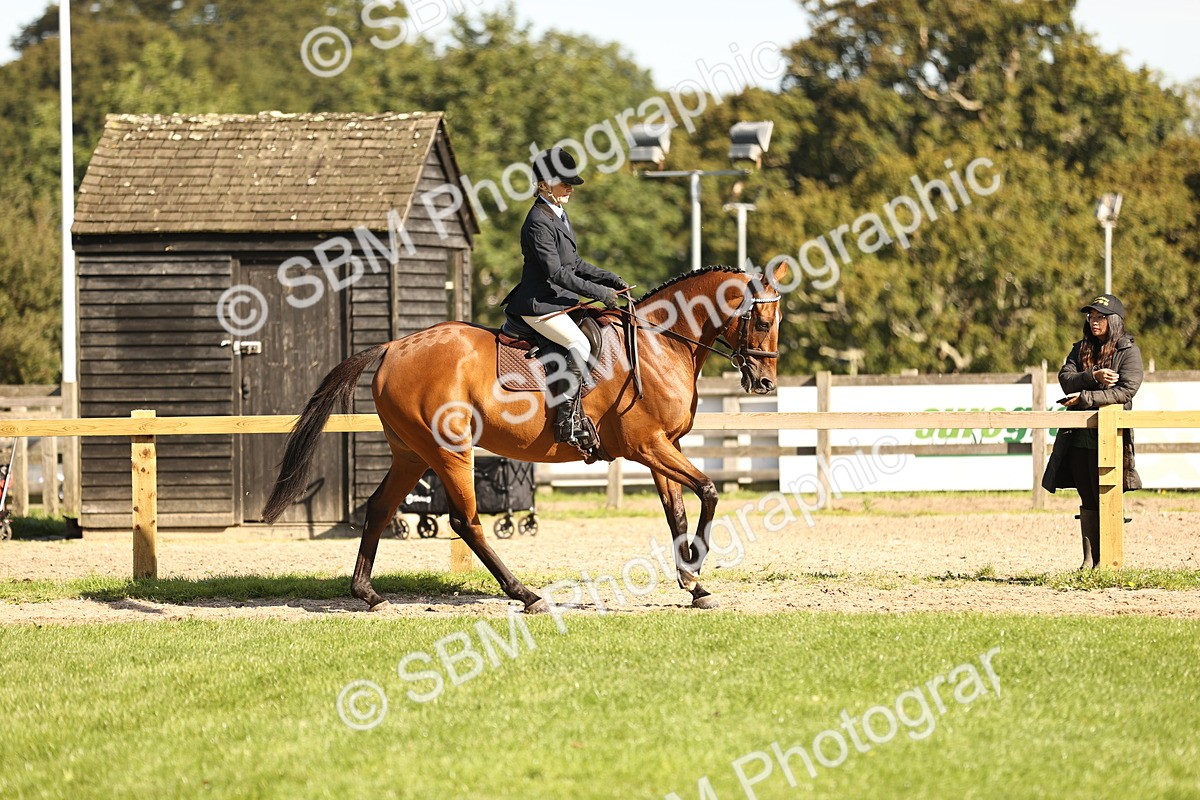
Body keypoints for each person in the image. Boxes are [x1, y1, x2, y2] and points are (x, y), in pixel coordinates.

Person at [501, 146, 628, 448]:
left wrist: (607, 277)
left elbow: (575, 264)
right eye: (564, 181)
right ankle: (566, 421)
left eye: (571, 181)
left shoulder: (558, 213)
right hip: (538, 304)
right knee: (578, 343)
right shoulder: (537, 222)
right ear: (543, 184)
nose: (570, 187)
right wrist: (600, 294)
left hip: (558, 301)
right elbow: (556, 273)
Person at [1041, 293, 1143, 568]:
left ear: (1114, 320)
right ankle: (1090, 561)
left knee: (1108, 494)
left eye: (1100, 317)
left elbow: (1125, 391)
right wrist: (1093, 376)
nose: (1094, 321)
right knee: (1086, 495)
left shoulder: (1128, 351)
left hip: (1110, 436)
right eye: (1091, 316)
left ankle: (1108, 559)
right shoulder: (1080, 348)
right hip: (1077, 435)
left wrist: (1086, 397)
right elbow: (1066, 379)